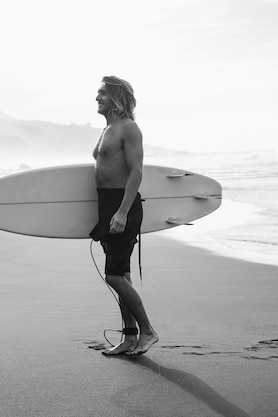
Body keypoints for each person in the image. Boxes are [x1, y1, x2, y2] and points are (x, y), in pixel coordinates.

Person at [90, 75, 159, 356]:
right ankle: (130, 337)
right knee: (122, 275)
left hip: (122, 206)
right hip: (107, 205)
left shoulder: (129, 129)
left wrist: (122, 211)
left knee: (114, 276)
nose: (97, 97)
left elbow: (136, 172)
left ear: (117, 97)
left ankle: (149, 331)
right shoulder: (108, 128)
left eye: (103, 93)